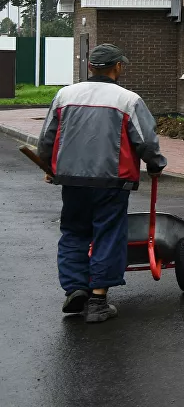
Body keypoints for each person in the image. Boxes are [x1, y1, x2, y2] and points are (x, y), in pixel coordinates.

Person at [36, 43, 167, 324]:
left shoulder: (65, 95)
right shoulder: (128, 100)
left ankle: (75, 288)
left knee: (74, 232)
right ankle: (97, 301)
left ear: (90, 67)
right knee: (108, 234)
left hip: (72, 180)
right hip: (112, 181)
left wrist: (48, 165)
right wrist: (156, 165)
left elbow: (47, 135)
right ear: (117, 67)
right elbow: (146, 141)